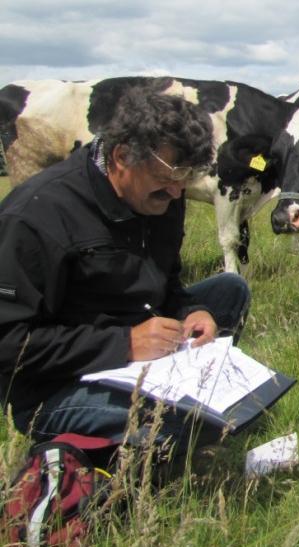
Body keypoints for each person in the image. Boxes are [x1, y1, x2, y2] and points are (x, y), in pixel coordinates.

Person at [0, 87, 251, 455]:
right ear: (121, 157)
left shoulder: (160, 195)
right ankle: (79, 445)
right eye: (170, 175)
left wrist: (187, 311)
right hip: (54, 385)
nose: (178, 192)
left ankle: (186, 404)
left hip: (140, 352)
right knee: (181, 426)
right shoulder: (35, 217)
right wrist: (125, 344)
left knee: (230, 291)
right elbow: (8, 343)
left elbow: (165, 281)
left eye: (187, 175)